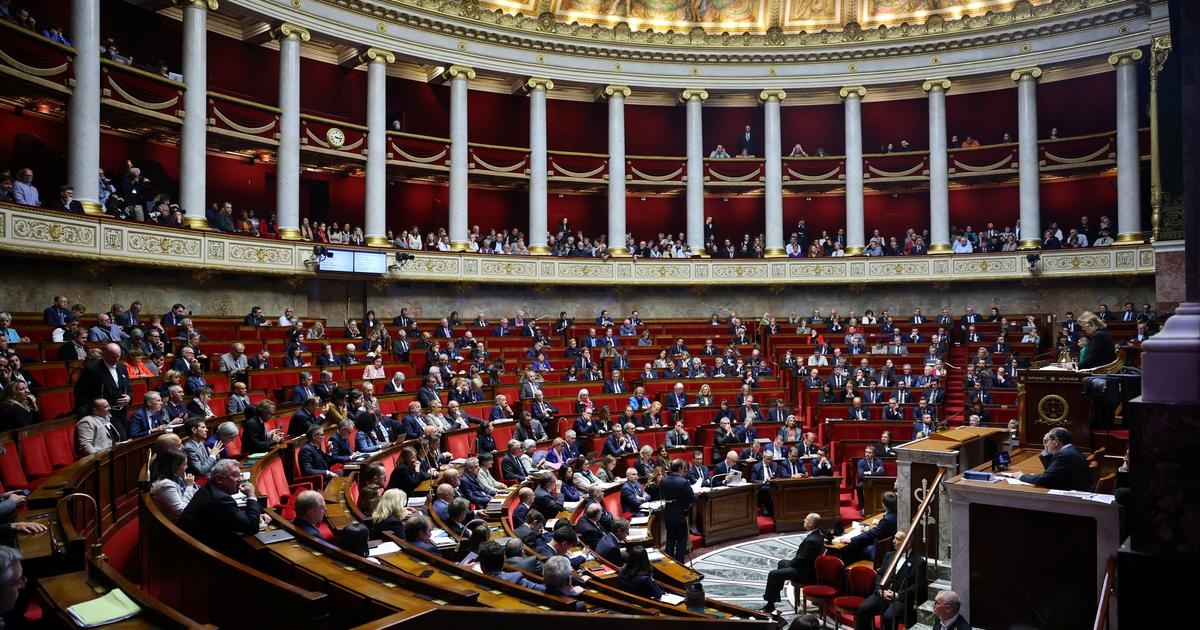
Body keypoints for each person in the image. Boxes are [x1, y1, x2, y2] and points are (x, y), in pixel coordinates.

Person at [177, 459, 266, 561]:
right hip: (205, 555)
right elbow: (251, 527)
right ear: (219, 479)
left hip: (195, 545)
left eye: (240, 475)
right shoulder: (221, 499)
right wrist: (251, 495)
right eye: (235, 475)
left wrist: (255, 515)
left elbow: (228, 514)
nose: (240, 480)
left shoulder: (208, 489)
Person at [854, 531, 927, 630]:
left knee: (889, 617)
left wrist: (898, 595)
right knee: (862, 610)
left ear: (908, 543)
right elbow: (880, 574)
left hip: (900, 598)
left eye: (897, 539)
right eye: (894, 538)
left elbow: (919, 585)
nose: (893, 541)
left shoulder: (918, 562)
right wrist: (880, 590)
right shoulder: (889, 555)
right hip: (882, 594)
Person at [761, 512, 824, 613]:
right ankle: (775, 595)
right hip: (805, 566)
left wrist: (789, 564)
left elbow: (800, 560)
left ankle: (770, 604)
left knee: (773, 574)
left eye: (806, 519)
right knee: (782, 563)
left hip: (804, 572)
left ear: (811, 523)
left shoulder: (811, 541)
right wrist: (788, 564)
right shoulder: (818, 534)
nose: (804, 520)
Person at [1002, 427, 1092, 490]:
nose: (1046, 444)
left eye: (1047, 441)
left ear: (1056, 441)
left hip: (1074, 493)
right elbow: (1049, 471)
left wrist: (1021, 476)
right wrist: (1046, 447)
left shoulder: (1064, 455)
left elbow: (1044, 479)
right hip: (1078, 487)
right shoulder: (1072, 449)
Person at [839, 491, 898, 563]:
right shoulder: (896, 513)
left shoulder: (887, 520)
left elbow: (871, 534)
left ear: (883, 504)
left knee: (851, 548)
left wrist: (851, 540)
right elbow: (879, 530)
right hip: (886, 547)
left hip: (877, 551)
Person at [659, 459, 696, 561]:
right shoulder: (683, 482)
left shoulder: (663, 480)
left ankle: (670, 563)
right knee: (681, 540)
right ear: (680, 468)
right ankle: (679, 563)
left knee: (670, 539)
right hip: (681, 515)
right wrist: (696, 495)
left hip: (668, 513)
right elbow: (692, 498)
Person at [148, 448, 198, 520]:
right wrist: (189, 486)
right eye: (184, 465)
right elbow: (182, 511)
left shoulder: (175, 474)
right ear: (174, 466)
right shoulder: (165, 485)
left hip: (189, 508)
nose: (187, 467)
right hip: (177, 521)